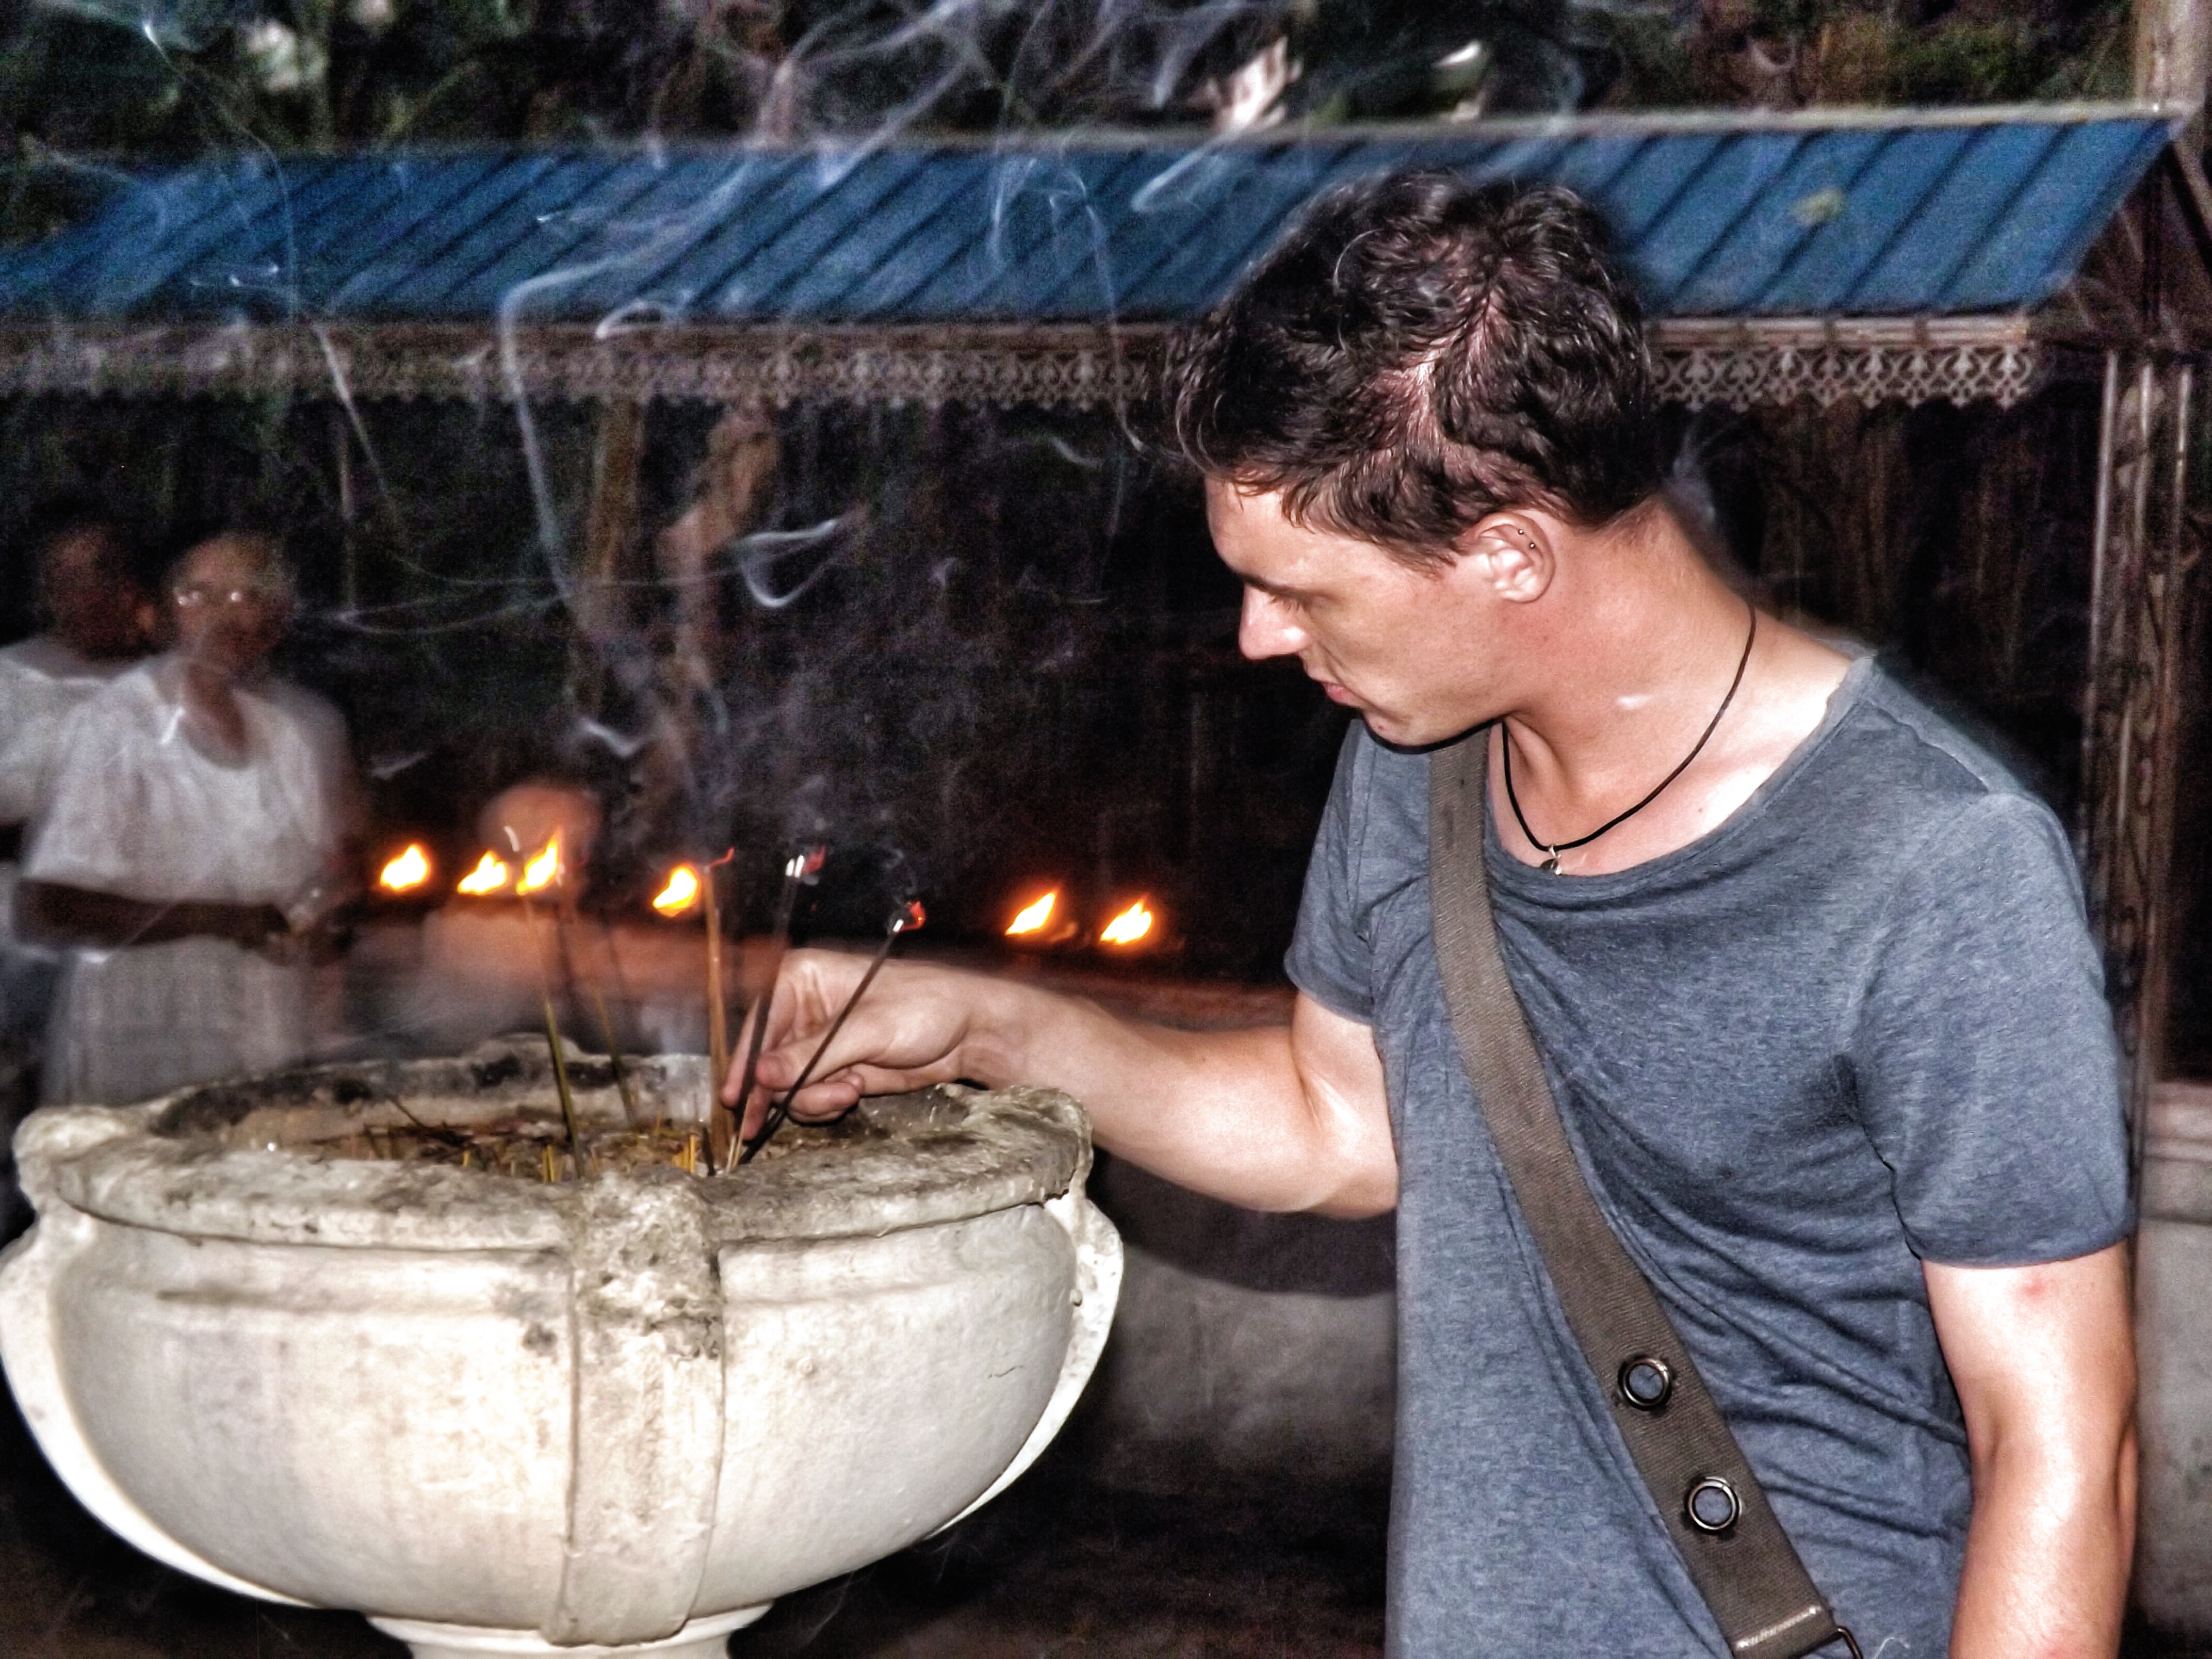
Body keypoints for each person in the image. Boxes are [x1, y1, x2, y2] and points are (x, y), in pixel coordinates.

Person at [725, 175, 2137, 1656]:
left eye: (1304, 592)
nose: (1260, 636)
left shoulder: (1935, 864)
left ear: (1510, 555)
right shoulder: (1418, 761)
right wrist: (994, 1029)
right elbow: (1341, 1122)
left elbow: (2061, 1448)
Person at [20, 529, 362, 1104]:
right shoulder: (117, 725)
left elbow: (324, 889)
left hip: (261, 1039)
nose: (223, 616)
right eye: (199, 595)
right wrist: (223, 919)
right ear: (163, 613)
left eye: (245, 596)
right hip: (145, 1045)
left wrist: (334, 904)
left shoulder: (288, 737)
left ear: (277, 618)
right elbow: (49, 907)